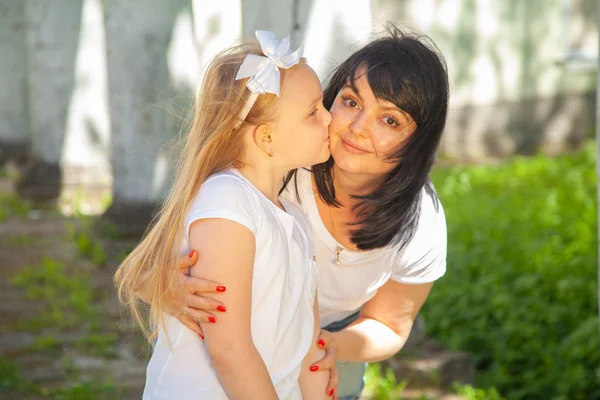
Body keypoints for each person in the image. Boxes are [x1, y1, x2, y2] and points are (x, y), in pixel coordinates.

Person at [148, 25, 450, 400]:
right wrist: (164, 282)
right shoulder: (274, 174)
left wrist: (331, 347)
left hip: (332, 336)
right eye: (350, 102)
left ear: (418, 142)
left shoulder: (414, 221)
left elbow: (387, 326)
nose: (355, 128)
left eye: (389, 120)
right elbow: (224, 341)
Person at [115, 31, 336, 399]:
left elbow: (308, 349)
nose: (330, 119)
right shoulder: (228, 203)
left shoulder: (294, 220)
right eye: (313, 112)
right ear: (266, 138)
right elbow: (229, 351)